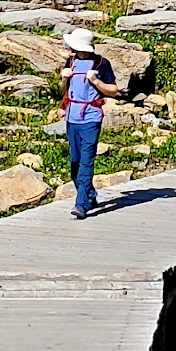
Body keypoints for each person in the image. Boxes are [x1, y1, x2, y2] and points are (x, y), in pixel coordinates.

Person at [59, 25, 117, 220]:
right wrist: (63, 82)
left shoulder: (101, 64)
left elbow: (113, 90)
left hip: (91, 117)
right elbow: (67, 89)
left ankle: (81, 203)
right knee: (74, 161)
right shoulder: (71, 62)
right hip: (72, 116)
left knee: (86, 161)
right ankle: (90, 194)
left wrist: (96, 82)